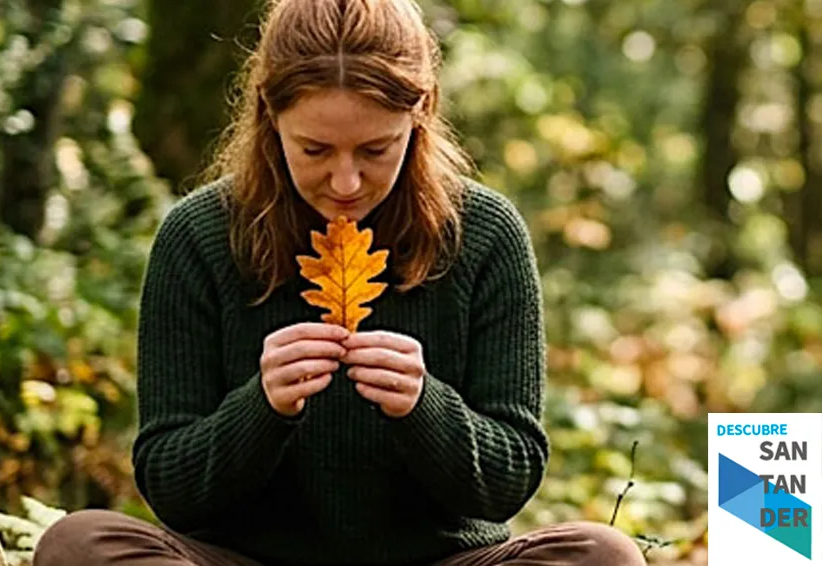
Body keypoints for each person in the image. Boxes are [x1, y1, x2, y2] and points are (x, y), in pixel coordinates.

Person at [33, 0, 648, 564]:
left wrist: (423, 408)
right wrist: (262, 408)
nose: (346, 182)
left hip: (436, 561)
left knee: (605, 555)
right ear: (271, 118)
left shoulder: (483, 234)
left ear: (421, 112)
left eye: (376, 150)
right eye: (316, 149)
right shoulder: (199, 235)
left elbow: (510, 480)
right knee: (76, 545)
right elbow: (169, 485)